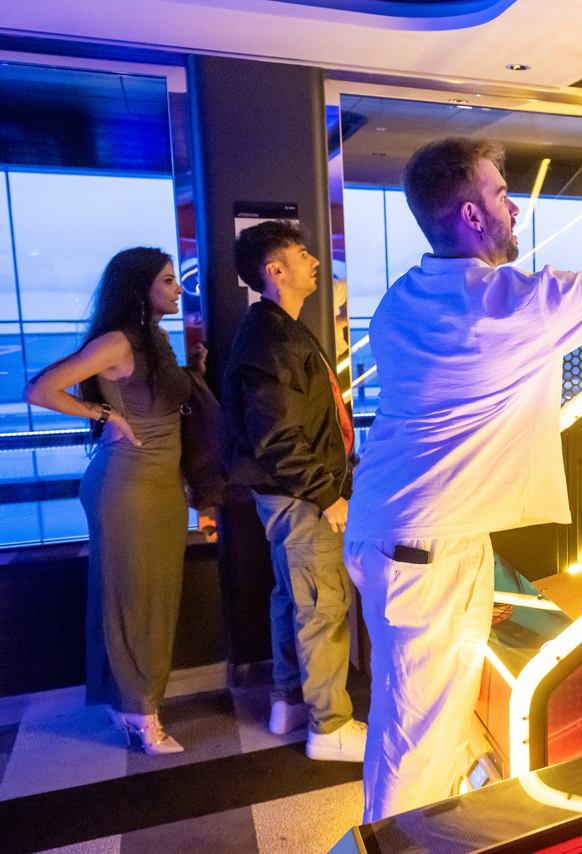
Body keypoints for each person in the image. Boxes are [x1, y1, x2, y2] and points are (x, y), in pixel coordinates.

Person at [344, 99, 582, 820]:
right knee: (415, 739)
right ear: (469, 215)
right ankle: (397, 838)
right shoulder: (509, 306)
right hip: (427, 544)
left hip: (394, 532)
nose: (513, 206)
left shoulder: (403, 299)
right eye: (499, 192)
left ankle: (429, 827)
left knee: (416, 711)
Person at [25, 247, 200, 755]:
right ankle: (141, 714)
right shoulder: (119, 341)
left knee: (151, 595)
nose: (176, 289)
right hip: (127, 485)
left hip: (159, 484)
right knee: (135, 599)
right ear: (140, 285)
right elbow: (39, 389)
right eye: (167, 281)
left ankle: (127, 702)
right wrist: (104, 414)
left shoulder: (156, 340)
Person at [221, 221, 366, 762]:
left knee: (292, 596)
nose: (314, 262)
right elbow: (275, 435)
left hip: (288, 495)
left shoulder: (277, 329)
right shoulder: (270, 336)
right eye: (302, 254)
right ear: (274, 271)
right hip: (301, 497)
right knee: (323, 605)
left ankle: (290, 702)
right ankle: (330, 726)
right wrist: (327, 494)